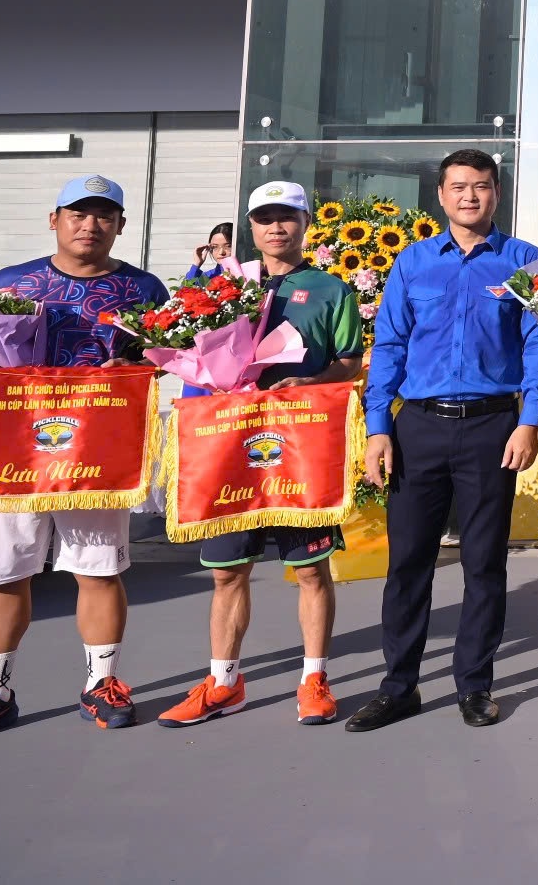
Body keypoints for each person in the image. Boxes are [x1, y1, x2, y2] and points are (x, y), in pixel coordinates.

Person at [0, 174, 169, 744]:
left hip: (97, 454)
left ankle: (101, 684)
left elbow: (168, 356)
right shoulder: (13, 282)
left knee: (99, 570)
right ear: (54, 220)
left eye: (103, 215)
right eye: (78, 214)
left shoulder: (145, 289)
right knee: (3, 574)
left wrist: (138, 368)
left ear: (121, 225)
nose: (90, 225)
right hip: (14, 453)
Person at [346, 151, 538, 732]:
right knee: (408, 563)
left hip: (492, 428)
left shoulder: (524, 260)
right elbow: (389, 346)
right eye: (459, 187)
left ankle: (474, 685)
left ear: (496, 194)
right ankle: (398, 687)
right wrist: (378, 428)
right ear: (441, 195)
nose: (470, 196)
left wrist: (529, 420)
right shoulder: (413, 262)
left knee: (484, 563)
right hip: (419, 427)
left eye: (481, 186)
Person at [156, 182, 365, 728]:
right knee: (227, 573)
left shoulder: (331, 289)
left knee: (311, 570)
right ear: (250, 227)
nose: (276, 227)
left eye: (287, 217)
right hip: (230, 445)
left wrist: (309, 380)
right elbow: (184, 348)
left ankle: (314, 679)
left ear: (305, 223)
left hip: (299, 447)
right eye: (265, 218)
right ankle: (225, 682)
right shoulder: (225, 287)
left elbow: (349, 361)